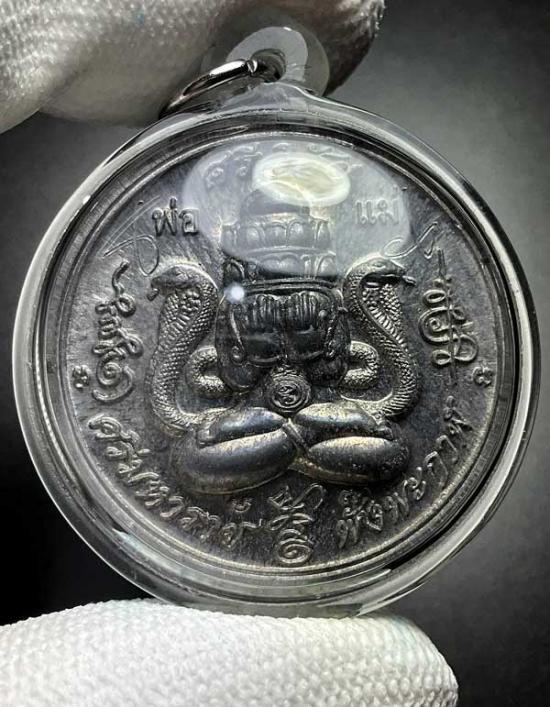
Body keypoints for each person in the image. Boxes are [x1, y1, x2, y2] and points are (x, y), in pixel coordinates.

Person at [0, 1, 457, 704]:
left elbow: (361, 384)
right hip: (255, 423)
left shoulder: (334, 301)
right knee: (195, 456)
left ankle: (290, 442)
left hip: (313, 420)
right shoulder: (227, 307)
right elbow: (213, 386)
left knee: (387, 450)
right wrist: (271, 408)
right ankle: (288, 443)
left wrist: (313, 397)